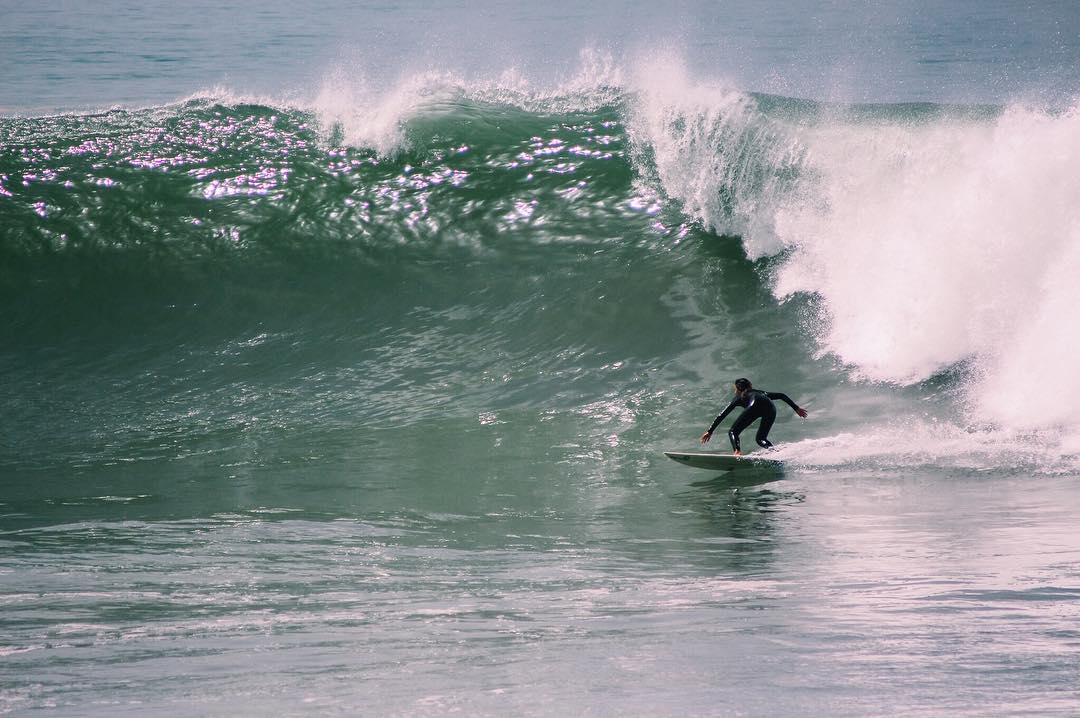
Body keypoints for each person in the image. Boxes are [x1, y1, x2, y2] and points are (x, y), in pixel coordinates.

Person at [700, 378, 808, 455]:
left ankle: (737, 451)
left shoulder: (739, 397)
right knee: (761, 438)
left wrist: (710, 431)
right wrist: (796, 408)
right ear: (750, 385)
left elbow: (722, 415)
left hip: (754, 406)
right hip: (771, 408)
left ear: (738, 389)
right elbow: (781, 395)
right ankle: (774, 454)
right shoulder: (761, 392)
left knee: (733, 432)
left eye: (735, 389)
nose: (735, 391)